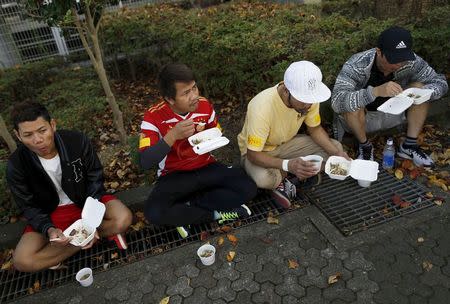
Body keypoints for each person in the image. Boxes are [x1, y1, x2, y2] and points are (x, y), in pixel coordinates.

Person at [6, 102, 132, 273]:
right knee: (22, 261)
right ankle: (91, 238)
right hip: (50, 211)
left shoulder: (76, 141)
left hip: (85, 200)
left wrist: (90, 221)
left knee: (123, 218)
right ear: (18, 135)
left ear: (52, 125)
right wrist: (48, 229)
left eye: (42, 130)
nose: (37, 140)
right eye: (28, 135)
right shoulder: (17, 164)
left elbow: (95, 177)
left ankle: (61, 251)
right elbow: (28, 205)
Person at [139, 63, 257, 238]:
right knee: (153, 213)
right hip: (174, 174)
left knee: (248, 187)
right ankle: (215, 214)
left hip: (206, 166)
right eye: (186, 93)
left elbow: (216, 132)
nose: (194, 96)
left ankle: (187, 208)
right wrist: (172, 135)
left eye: (194, 88)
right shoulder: (153, 116)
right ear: (170, 99)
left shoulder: (204, 105)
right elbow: (145, 161)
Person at [237, 61, 349, 209]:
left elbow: (315, 129)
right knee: (264, 179)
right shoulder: (262, 107)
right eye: (303, 100)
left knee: (335, 147)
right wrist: (288, 164)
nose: (309, 105)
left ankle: (289, 177)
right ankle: (292, 174)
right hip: (257, 152)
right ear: (286, 91)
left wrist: (337, 153)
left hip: (286, 145)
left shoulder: (309, 100)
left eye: (311, 99)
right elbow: (253, 154)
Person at [331, 26, 448, 166]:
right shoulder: (357, 64)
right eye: (393, 59)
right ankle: (365, 147)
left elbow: (440, 82)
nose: (399, 64)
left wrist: (425, 93)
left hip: (395, 112)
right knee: (351, 103)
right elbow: (337, 101)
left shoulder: (410, 61)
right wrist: (374, 92)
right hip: (362, 120)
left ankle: (409, 145)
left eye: (402, 59)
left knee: (419, 87)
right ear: (379, 52)